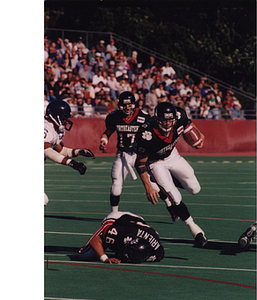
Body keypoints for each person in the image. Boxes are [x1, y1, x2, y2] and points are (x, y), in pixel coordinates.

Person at [134, 102, 208, 247]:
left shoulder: (180, 116)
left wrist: (199, 137)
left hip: (173, 155)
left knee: (195, 189)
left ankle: (166, 181)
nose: (168, 124)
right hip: (155, 162)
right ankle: (195, 230)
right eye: (164, 120)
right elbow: (140, 163)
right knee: (175, 197)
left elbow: (188, 125)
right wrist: (148, 187)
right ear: (157, 119)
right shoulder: (146, 134)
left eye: (170, 120)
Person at [99, 91, 151, 212]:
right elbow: (107, 132)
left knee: (154, 184)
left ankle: (171, 206)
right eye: (125, 105)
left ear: (134, 104)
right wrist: (103, 141)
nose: (127, 107)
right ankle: (114, 214)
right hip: (122, 156)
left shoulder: (143, 117)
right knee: (116, 187)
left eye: (130, 104)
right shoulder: (114, 117)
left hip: (140, 156)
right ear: (120, 104)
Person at [44, 100, 95, 205]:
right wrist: (70, 163)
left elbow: (60, 150)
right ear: (56, 116)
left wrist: (79, 152)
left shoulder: (55, 129)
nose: (65, 121)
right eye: (64, 117)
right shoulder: (45, 127)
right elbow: (47, 151)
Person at [78, 211, 164, 263]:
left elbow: (155, 234)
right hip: (116, 219)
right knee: (85, 255)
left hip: (138, 221)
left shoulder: (157, 252)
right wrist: (105, 258)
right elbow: (95, 240)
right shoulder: (118, 233)